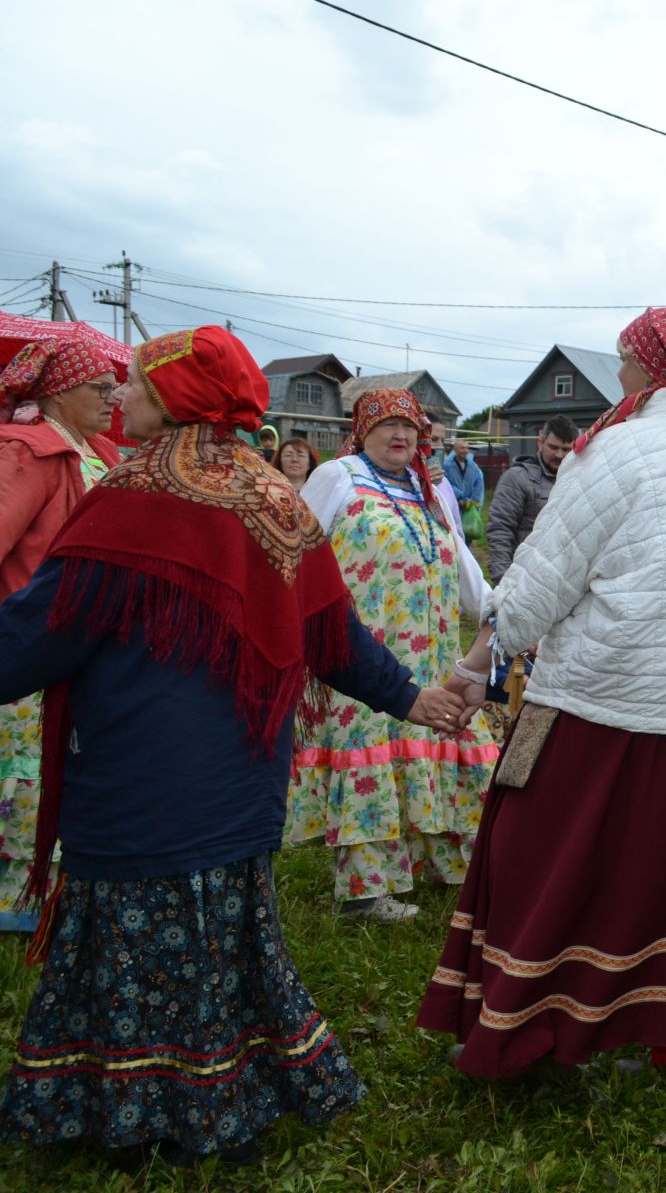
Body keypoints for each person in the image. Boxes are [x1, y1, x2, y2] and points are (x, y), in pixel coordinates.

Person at [0, 325, 469, 1168]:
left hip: (141, 783)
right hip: (240, 785)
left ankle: (140, 1116)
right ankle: (226, 1096)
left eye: (136, 382)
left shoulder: (135, 499)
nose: (121, 397)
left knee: (141, 952)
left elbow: (43, 634)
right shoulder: (272, 497)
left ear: (177, 396)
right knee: (224, 942)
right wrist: (413, 696)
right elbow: (334, 634)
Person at [419, 307, 666, 1078]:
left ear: (655, 369)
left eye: (625, 361)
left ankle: (542, 1024)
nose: (621, 376)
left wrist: (474, 668)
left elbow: (541, 581)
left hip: (612, 702)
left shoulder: (619, 449)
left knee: (558, 862)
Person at [285, 388, 497, 921]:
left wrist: (504, 611)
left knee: (442, 746)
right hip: (364, 659)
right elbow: (292, 550)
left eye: (408, 426)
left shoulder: (429, 490)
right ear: (362, 431)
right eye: (385, 426)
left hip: (432, 657)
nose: (399, 435)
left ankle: (445, 869)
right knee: (371, 755)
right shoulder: (341, 478)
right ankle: (364, 892)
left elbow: (462, 566)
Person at [0, 333, 122, 931]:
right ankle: (15, 899)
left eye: (113, 388)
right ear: (58, 395)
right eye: (99, 389)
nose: (112, 398)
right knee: (25, 771)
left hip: (83, 650)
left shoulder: (98, 448)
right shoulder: (26, 452)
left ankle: (58, 890)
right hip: (31, 646)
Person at [487, 414, 575, 581]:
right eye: (553, 447)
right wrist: (502, 579)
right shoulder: (517, 478)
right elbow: (500, 530)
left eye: (566, 449)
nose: (559, 455)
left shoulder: (576, 480)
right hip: (521, 577)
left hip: (560, 581)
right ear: (540, 443)